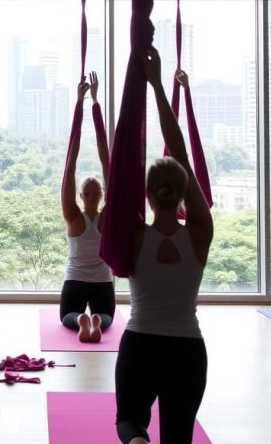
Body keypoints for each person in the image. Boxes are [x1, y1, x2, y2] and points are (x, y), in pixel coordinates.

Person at [115, 49, 214, 444]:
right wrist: (159, 86)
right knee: (179, 438)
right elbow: (183, 155)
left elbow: (118, 170)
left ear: (148, 196)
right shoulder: (199, 234)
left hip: (140, 343)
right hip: (187, 351)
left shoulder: (134, 235)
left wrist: (144, 85)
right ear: (183, 191)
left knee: (130, 424)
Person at [60, 70, 114, 343]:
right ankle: (93, 320)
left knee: (67, 316)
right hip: (103, 284)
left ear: (81, 197)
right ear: (102, 195)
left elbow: (70, 167)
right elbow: (108, 163)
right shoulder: (108, 217)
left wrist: (80, 104)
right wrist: (94, 102)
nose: (91, 197)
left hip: (75, 282)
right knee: (107, 318)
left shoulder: (72, 217)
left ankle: (81, 319)